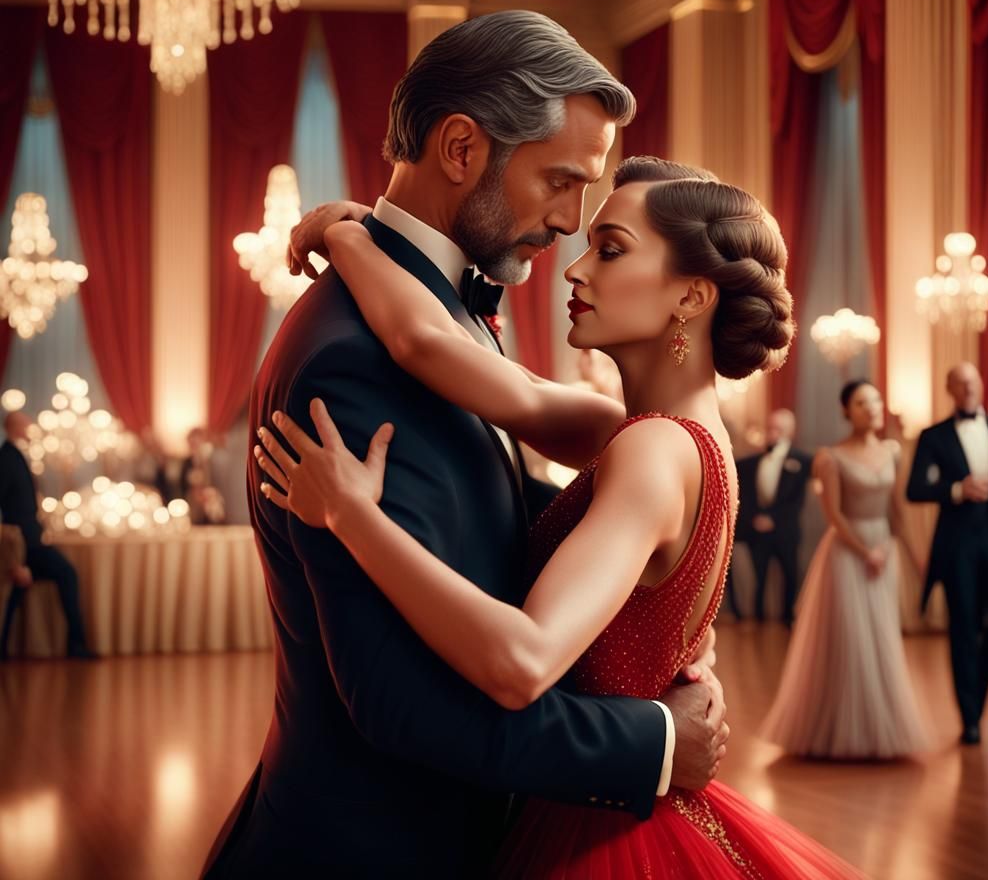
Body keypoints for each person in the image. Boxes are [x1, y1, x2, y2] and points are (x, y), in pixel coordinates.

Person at [202, 13, 728, 880]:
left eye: (601, 225)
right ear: (460, 148)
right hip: (369, 852)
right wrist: (657, 742)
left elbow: (506, 527)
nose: (568, 226)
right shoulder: (355, 361)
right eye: (561, 182)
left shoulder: (448, 324)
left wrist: (668, 632)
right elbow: (400, 700)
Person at [258, 155, 867, 877]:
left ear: (690, 298)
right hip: (606, 798)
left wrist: (354, 518)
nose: (575, 271)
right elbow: (454, 359)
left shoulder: (652, 450)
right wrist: (359, 238)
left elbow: (521, 662)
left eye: (610, 250)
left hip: (598, 828)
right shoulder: (659, 433)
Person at [761, 381, 930, 759]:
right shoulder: (830, 457)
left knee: (883, 638)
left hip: (884, 552)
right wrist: (866, 550)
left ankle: (881, 729)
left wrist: (904, 551)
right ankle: (837, 730)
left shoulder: (893, 452)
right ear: (846, 411)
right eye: (861, 402)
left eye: (875, 400)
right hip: (847, 554)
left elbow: (896, 511)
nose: (871, 408)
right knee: (851, 641)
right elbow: (834, 516)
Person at [906, 362, 988, 745]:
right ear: (950, 390)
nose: (967, 388)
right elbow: (915, 489)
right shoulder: (933, 436)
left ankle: (978, 695)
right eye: (959, 383)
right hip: (956, 546)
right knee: (963, 628)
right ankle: (970, 718)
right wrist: (957, 489)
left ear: (981, 384)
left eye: (972, 381)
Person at [0, 411, 95, 660]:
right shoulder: (7, 458)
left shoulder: (14, 456)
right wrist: (12, 555)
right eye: (25, 423)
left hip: (27, 541)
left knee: (14, 594)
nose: (30, 427)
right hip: (23, 543)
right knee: (67, 574)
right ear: (15, 427)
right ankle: (76, 645)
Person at [734, 408, 812, 624]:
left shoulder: (803, 461)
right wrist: (755, 519)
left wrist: (774, 519)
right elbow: (746, 496)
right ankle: (757, 618)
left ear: (790, 431)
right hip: (756, 529)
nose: (773, 432)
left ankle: (788, 618)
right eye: (770, 427)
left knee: (790, 574)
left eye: (778, 428)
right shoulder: (749, 463)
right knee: (758, 575)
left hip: (785, 529)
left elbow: (797, 500)